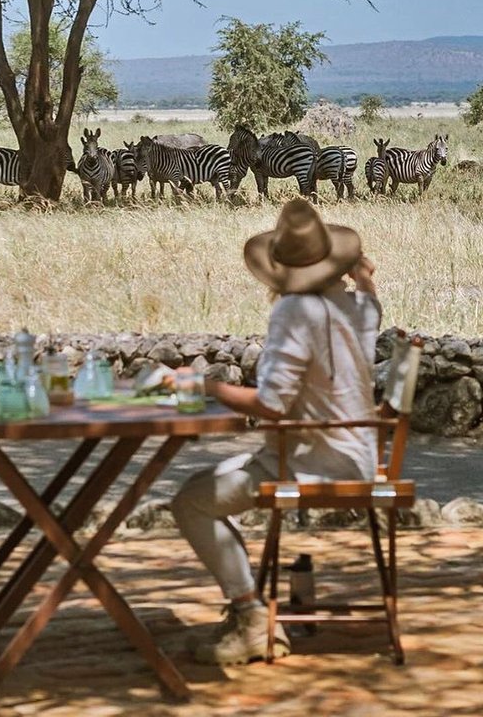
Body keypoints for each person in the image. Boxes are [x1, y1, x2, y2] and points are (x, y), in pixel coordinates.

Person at [171, 197, 382, 665]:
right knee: (201, 487)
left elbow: (270, 404)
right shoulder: (345, 303)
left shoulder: (295, 311)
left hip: (312, 460)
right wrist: (365, 280)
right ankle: (244, 607)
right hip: (358, 454)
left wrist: (207, 386)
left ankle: (249, 618)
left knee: (190, 501)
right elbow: (371, 313)